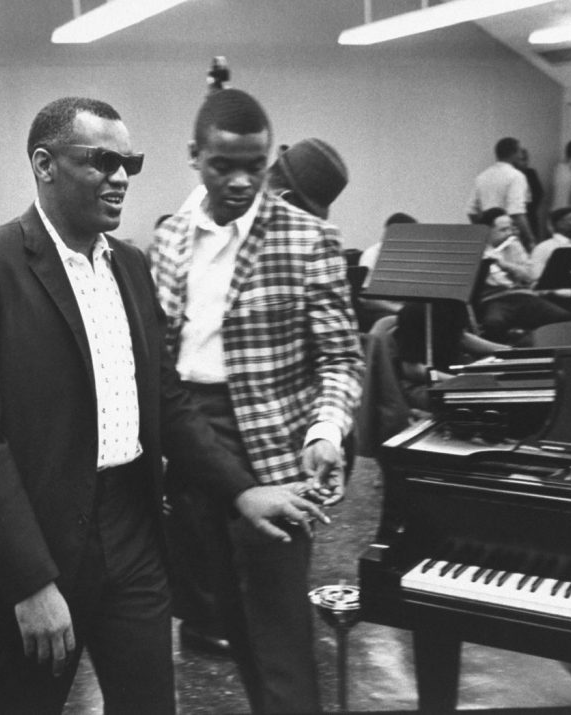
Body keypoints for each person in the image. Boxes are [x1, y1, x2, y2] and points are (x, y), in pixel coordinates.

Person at [0, 96, 326, 715]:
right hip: (43, 539)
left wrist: (242, 491)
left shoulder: (131, 267)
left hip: (134, 532)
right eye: (103, 161)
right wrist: (31, 581)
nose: (121, 177)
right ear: (45, 164)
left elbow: (166, 402)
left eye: (129, 163)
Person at [150, 88, 364, 714]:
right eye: (224, 166)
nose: (242, 180)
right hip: (190, 444)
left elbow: (342, 358)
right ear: (195, 156)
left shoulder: (309, 238)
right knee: (225, 621)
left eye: (257, 164)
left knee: (279, 634)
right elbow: (161, 359)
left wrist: (326, 429)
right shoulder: (166, 240)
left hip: (274, 451)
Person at [476, 208, 571, 345]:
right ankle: (505, 356)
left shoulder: (514, 245)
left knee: (563, 318)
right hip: (493, 299)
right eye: (503, 230)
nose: (509, 234)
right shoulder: (476, 249)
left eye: (511, 229)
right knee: (493, 324)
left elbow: (529, 275)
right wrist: (484, 265)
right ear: (487, 230)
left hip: (522, 295)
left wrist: (505, 265)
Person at [393, 300, 507, 410]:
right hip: (422, 384)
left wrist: (509, 351)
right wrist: (458, 380)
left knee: (505, 382)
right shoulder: (412, 311)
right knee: (484, 399)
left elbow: (461, 338)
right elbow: (412, 370)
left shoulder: (454, 302)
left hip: (453, 373)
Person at [467, 137, 535, 250]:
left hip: (489, 238)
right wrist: (530, 238)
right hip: (509, 237)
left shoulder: (482, 176)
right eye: (519, 152)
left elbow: (471, 211)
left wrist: (484, 230)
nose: (521, 156)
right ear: (514, 153)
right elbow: (516, 212)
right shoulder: (516, 176)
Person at [515, 146, 545, 243]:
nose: (526, 163)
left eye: (526, 159)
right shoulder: (511, 177)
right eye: (522, 160)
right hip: (516, 221)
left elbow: (539, 196)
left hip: (532, 217)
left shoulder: (531, 174)